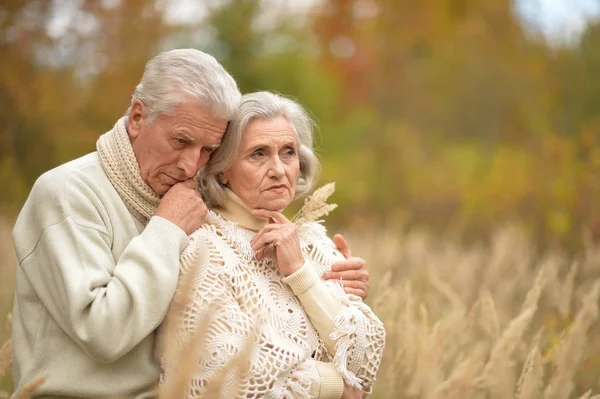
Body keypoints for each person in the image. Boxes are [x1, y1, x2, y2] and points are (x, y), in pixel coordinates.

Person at [10, 50, 370, 398]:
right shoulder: (68, 193)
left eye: (208, 150)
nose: (189, 165)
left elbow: (259, 324)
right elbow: (104, 332)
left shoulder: (191, 199)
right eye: (180, 141)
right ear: (138, 117)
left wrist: (324, 283)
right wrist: (166, 229)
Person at [161, 92, 385, 399]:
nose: (279, 169)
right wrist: (331, 385)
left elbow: (365, 357)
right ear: (222, 167)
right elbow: (227, 376)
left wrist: (300, 272)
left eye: (288, 152)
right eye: (258, 154)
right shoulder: (202, 249)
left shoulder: (311, 242)